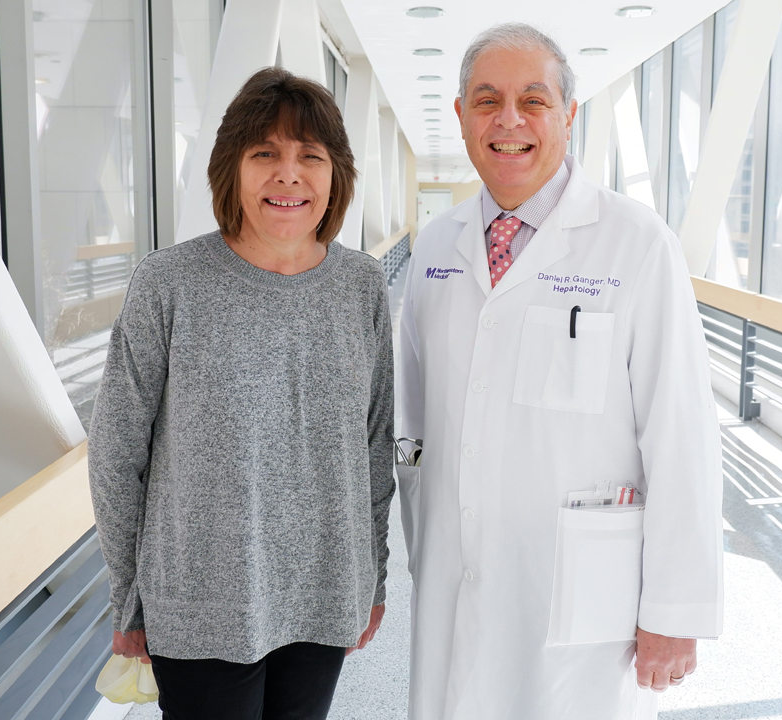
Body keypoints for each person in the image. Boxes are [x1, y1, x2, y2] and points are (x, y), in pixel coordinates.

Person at [395, 23, 723, 720]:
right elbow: (412, 420)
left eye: (533, 101)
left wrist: (675, 605)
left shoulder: (636, 244)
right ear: (460, 118)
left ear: (568, 116)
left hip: (582, 595)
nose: (508, 120)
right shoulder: (438, 247)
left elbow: (683, 433)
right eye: (486, 100)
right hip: (456, 573)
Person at [88, 67, 394, 720]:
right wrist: (129, 597)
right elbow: (117, 452)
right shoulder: (169, 284)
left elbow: (374, 444)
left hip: (322, 593)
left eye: (310, 157)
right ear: (232, 169)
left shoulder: (363, 287)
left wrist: (374, 578)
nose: (289, 176)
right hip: (201, 605)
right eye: (265, 155)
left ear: (335, 174)